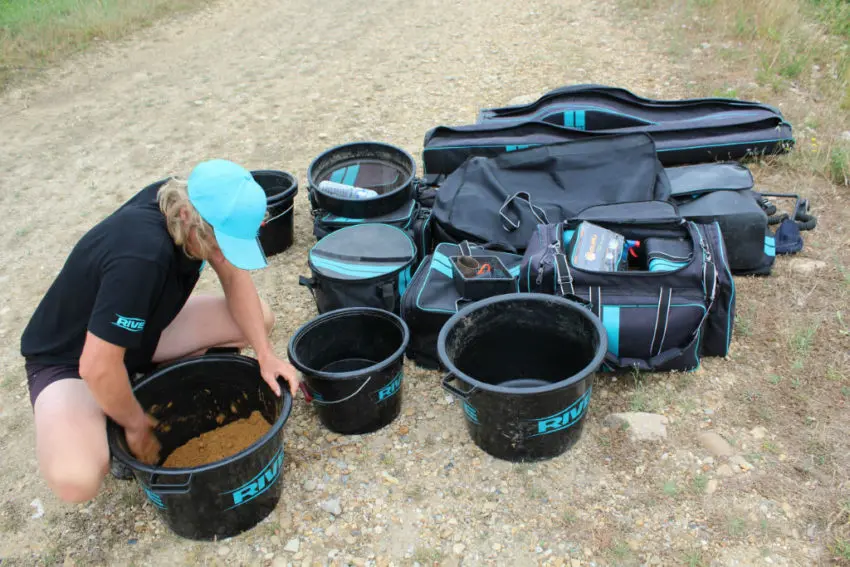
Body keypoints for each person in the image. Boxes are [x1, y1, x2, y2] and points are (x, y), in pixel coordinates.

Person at [19, 159, 300, 504]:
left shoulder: (190, 202)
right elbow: (96, 365)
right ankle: (106, 412)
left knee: (260, 319)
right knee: (76, 480)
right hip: (71, 360)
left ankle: (139, 382)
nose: (222, 254)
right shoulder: (142, 257)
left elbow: (231, 273)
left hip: (142, 334)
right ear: (187, 217)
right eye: (219, 243)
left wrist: (265, 354)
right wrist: (136, 425)